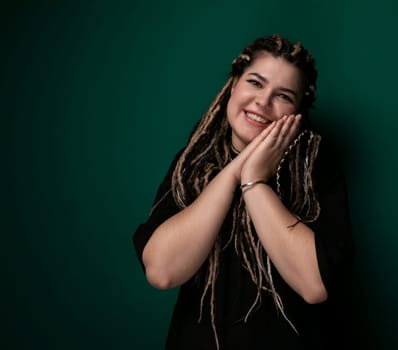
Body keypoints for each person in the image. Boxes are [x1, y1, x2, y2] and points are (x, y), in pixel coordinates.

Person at [133, 34, 352, 350]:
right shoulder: (192, 162)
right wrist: (236, 171)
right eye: (255, 83)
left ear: (298, 112)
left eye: (284, 96)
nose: (263, 102)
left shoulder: (317, 168)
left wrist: (255, 182)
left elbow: (313, 285)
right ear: (233, 85)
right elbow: (162, 272)